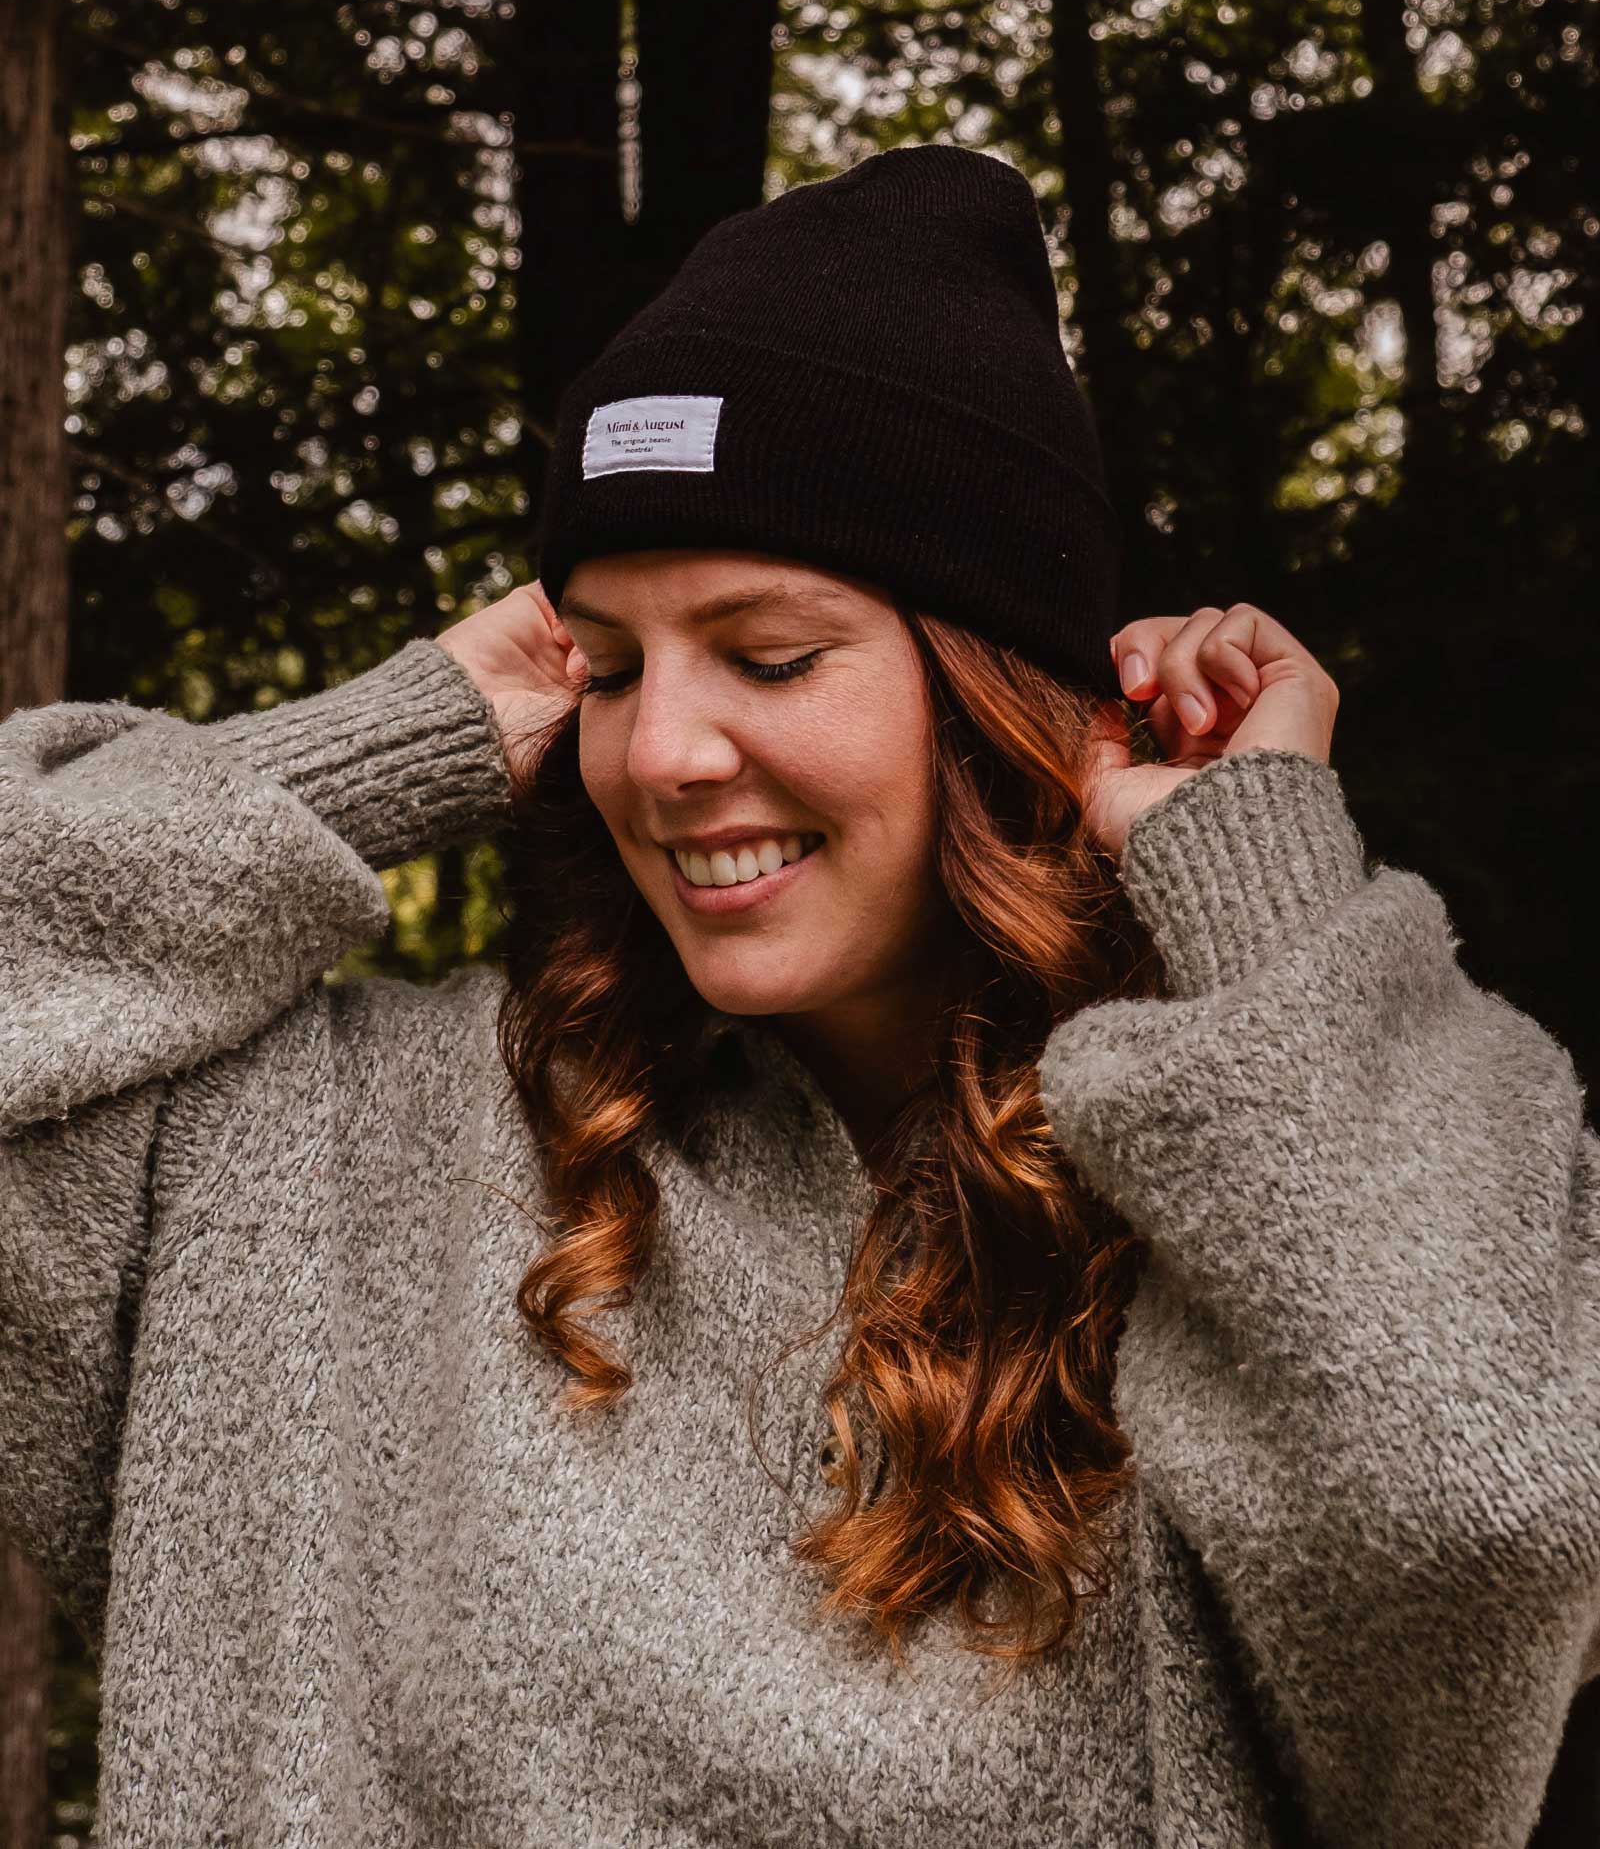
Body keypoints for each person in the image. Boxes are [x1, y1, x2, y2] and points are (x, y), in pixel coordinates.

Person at [2, 143, 1595, 1849]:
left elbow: (1480, 1507)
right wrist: (411, 729)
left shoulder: (1256, 1197)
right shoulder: (346, 1154)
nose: (663, 751)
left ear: (997, 698)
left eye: (769, 655)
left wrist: (1261, 886)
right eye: (610, 666)